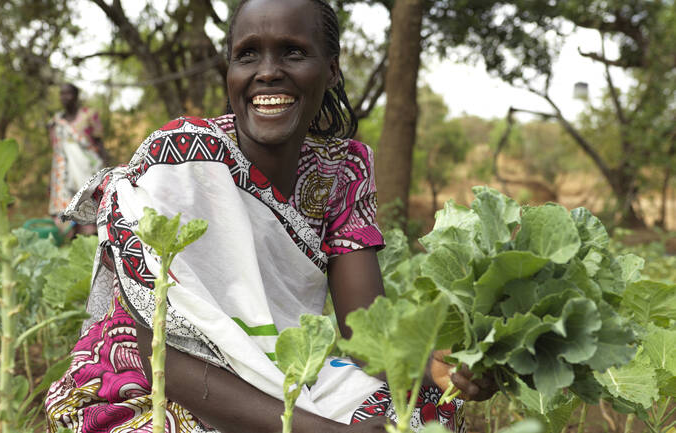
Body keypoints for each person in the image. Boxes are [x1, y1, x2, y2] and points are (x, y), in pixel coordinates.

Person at [45, 1, 493, 432]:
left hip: (282, 373)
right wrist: (320, 432)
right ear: (231, 73)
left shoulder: (343, 172)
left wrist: (434, 365)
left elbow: (363, 335)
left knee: (420, 407)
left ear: (331, 69)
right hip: (152, 388)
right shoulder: (181, 159)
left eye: (293, 52)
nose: (267, 71)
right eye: (247, 55)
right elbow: (163, 354)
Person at [47, 83, 106, 236]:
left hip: (87, 171)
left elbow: (99, 143)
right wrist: (50, 181)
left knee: (88, 209)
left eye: (68, 93)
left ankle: (92, 246)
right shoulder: (57, 122)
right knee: (67, 211)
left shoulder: (89, 115)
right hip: (64, 175)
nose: (64, 97)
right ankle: (72, 244)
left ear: (76, 96)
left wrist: (106, 170)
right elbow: (57, 152)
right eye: (62, 94)